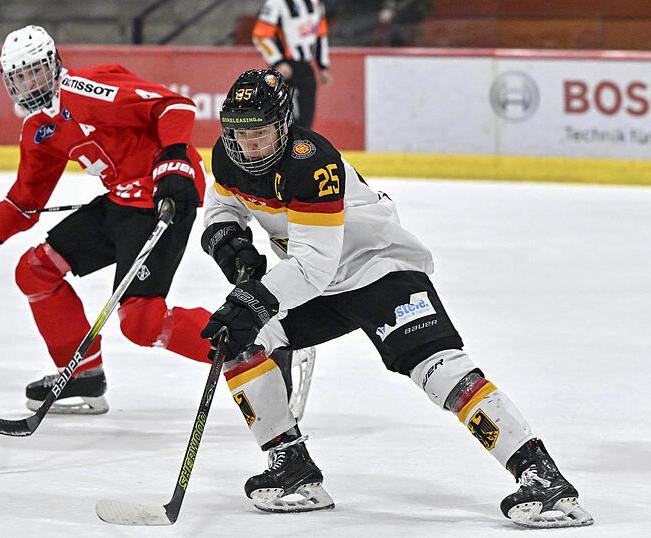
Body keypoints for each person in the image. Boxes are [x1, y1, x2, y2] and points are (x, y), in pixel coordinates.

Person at [198, 69, 593, 528]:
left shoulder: (312, 163)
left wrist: (254, 300)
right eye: (239, 134)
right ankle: (292, 470)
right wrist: (230, 243)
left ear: (284, 124)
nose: (249, 147)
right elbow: (224, 207)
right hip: (318, 284)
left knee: (439, 369)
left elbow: (312, 265)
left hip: (379, 269)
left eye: (260, 134)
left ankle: (542, 479)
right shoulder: (229, 159)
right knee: (240, 344)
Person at [0, 25, 216, 414]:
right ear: (9, 83)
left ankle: (250, 349)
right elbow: (25, 200)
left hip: (163, 198)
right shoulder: (39, 129)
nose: (30, 82)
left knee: (140, 320)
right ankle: (82, 374)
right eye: (20, 76)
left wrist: (174, 161)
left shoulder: (86, 88)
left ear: (54, 63)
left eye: (36, 70)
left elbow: (174, 106)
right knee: (35, 270)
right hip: (121, 203)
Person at [252, 0, 332, 130]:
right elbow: (260, 36)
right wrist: (277, 62)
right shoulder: (276, 3)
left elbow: (321, 35)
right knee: (285, 119)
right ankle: (283, 149)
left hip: (306, 67)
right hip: (286, 69)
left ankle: (300, 149)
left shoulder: (316, 3)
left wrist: (322, 66)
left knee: (306, 121)